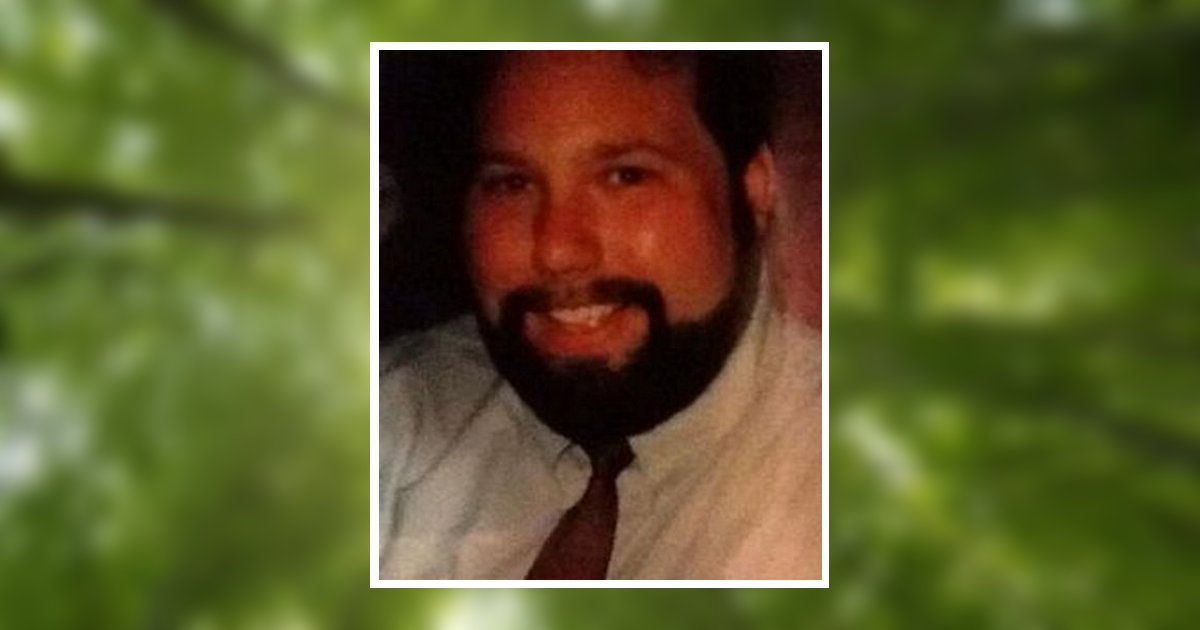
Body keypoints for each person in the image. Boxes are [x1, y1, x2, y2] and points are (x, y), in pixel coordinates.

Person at [379, 50, 822, 580]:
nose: (557, 250)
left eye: (626, 176)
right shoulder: (399, 411)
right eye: (511, 183)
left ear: (754, 189)